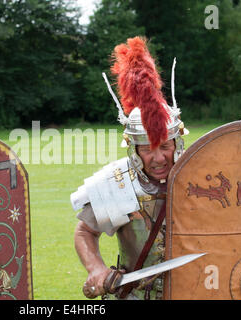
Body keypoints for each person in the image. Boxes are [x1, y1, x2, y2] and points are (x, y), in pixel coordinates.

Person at [71, 36, 187, 300]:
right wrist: (97, 269)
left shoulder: (201, 175)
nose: (158, 158)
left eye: (164, 147)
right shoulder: (116, 180)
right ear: (133, 149)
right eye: (147, 149)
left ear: (178, 143)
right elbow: (85, 231)